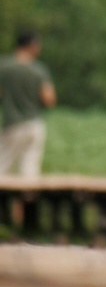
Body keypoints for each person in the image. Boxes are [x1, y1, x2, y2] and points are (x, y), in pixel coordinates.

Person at [0, 30, 57, 177]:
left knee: (3, 166)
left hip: (12, 123)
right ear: (31, 45)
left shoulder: (4, 67)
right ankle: (27, 200)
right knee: (30, 171)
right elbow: (49, 99)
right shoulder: (39, 69)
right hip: (34, 124)